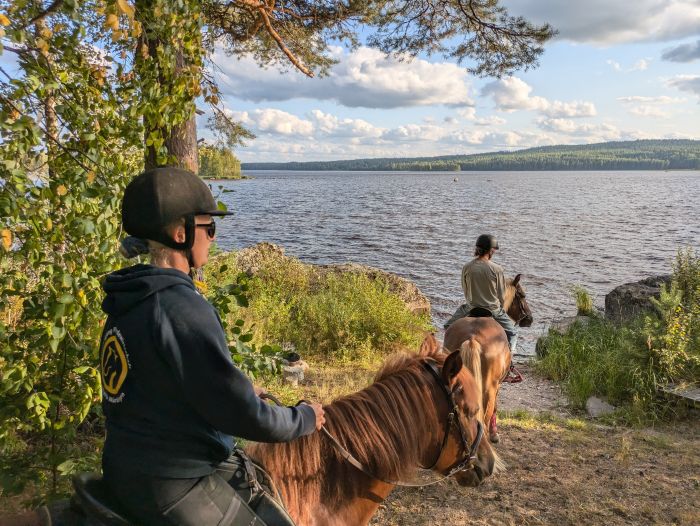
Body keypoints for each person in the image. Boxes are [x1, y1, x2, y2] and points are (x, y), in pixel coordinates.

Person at [99, 166, 325, 525]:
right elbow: (246, 417)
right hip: (172, 481)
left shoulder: (128, 300)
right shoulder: (182, 308)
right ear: (179, 233)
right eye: (209, 227)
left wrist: (237, 387)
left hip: (125, 463)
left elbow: (154, 389)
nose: (213, 238)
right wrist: (304, 418)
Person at [443, 234, 518, 354]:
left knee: (448, 327)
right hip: (492, 310)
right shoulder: (497, 269)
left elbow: (465, 290)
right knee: (513, 332)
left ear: (477, 249)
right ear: (491, 250)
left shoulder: (467, 267)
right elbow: (501, 295)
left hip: (471, 307)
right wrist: (500, 307)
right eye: (494, 250)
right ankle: (510, 357)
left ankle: (444, 356)